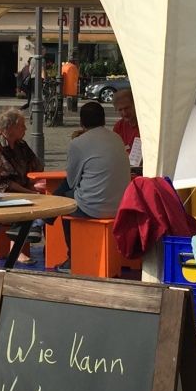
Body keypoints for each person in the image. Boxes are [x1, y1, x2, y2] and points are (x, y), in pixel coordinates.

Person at [60, 101, 131, 266]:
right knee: (63, 192)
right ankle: (40, 221)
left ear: (81, 122)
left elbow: (72, 181)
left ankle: (73, 257)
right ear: (104, 119)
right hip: (120, 206)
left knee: (62, 203)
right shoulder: (117, 138)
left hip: (92, 208)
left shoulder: (77, 143)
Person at [0, 108, 42, 194]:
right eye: (22, 125)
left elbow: (37, 168)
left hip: (23, 190)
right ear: (11, 128)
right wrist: (30, 192)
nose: (25, 128)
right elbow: (4, 184)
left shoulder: (21, 145)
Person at [112, 87, 141, 162]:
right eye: (120, 110)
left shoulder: (145, 124)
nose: (124, 113)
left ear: (135, 104)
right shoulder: (118, 127)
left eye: (127, 108)